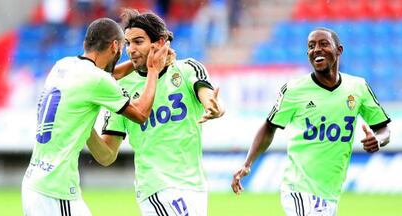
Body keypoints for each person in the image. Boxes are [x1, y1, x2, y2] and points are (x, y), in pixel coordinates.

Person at [231, 27, 391, 216]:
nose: (316, 49)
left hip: (330, 193)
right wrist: (248, 163)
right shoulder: (294, 90)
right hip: (299, 188)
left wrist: (378, 139)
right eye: (311, 46)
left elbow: (383, 129)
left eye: (323, 44)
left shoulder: (358, 88)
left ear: (339, 50)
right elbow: (269, 126)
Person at [21, 17, 170, 216]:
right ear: (115, 45)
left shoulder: (63, 65)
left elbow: (104, 78)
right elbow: (141, 114)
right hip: (56, 189)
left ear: (86, 43)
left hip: (34, 181)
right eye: (124, 46)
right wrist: (152, 69)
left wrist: (138, 63)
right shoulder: (97, 79)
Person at [86, 8, 225, 216]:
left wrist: (216, 108)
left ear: (159, 43)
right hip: (155, 187)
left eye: (138, 42)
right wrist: (85, 127)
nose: (131, 49)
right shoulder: (120, 87)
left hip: (194, 186)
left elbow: (209, 98)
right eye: (128, 43)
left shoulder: (187, 69)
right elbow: (107, 156)